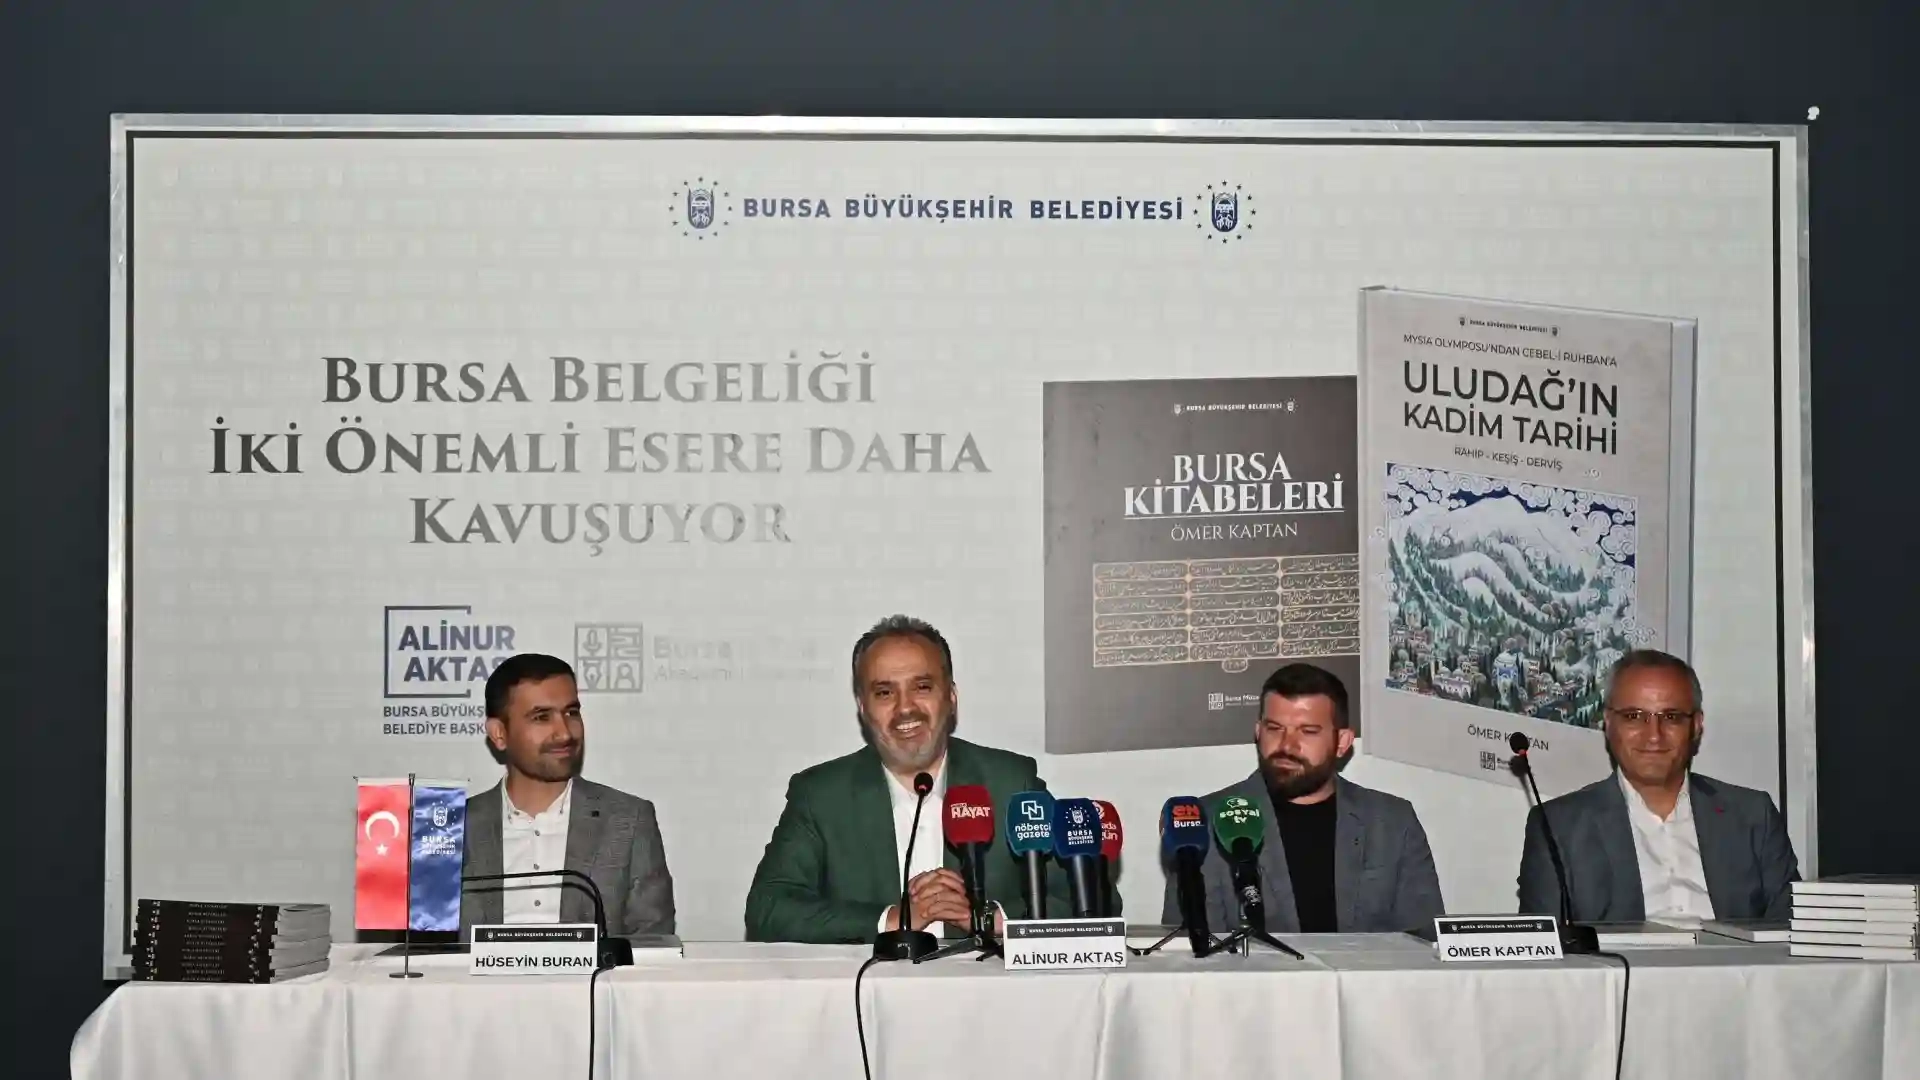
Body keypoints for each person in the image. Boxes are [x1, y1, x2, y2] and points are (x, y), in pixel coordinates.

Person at [745, 615, 1093, 943]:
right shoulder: (821, 795)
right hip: (870, 985)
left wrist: (988, 918)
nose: (905, 708)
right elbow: (768, 908)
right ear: (863, 708)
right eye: (884, 692)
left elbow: (1088, 897)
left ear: (951, 698)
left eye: (922, 687)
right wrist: (892, 920)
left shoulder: (1011, 783)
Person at [1518, 649, 1798, 923]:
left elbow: (1793, 932)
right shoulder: (1558, 827)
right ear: (1608, 723)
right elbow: (1542, 945)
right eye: (1634, 716)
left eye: (1671, 717)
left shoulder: (1753, 817)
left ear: (1696, 725)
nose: (1654, 735)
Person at [1164, 662, 1444, 933]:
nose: (1287, 746)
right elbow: (1188, 951)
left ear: (1342, 742)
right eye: (1274, 729)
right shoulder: (1204, 824)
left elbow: (1423, 946)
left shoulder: (1392, 822)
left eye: (1308, 732)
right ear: (1258, 732)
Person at [460, 653, 676, 938]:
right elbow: (427, 949)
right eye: (541, 717)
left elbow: (653, 944)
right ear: (499, 733)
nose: (564, 733)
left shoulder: (628, 820)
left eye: (571, 713)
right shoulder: (454, 829)